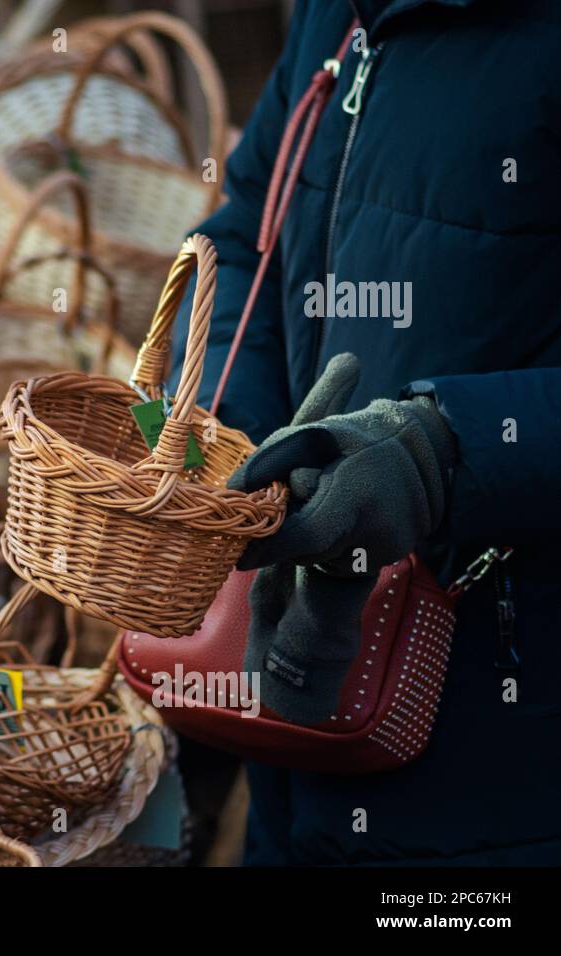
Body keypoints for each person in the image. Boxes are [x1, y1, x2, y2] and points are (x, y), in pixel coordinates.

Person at [168, 0, 561, 864]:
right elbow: (242, 229)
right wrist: (248, 440)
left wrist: (443, 453)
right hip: (289, 710)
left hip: (496, 753)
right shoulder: (338, 13)